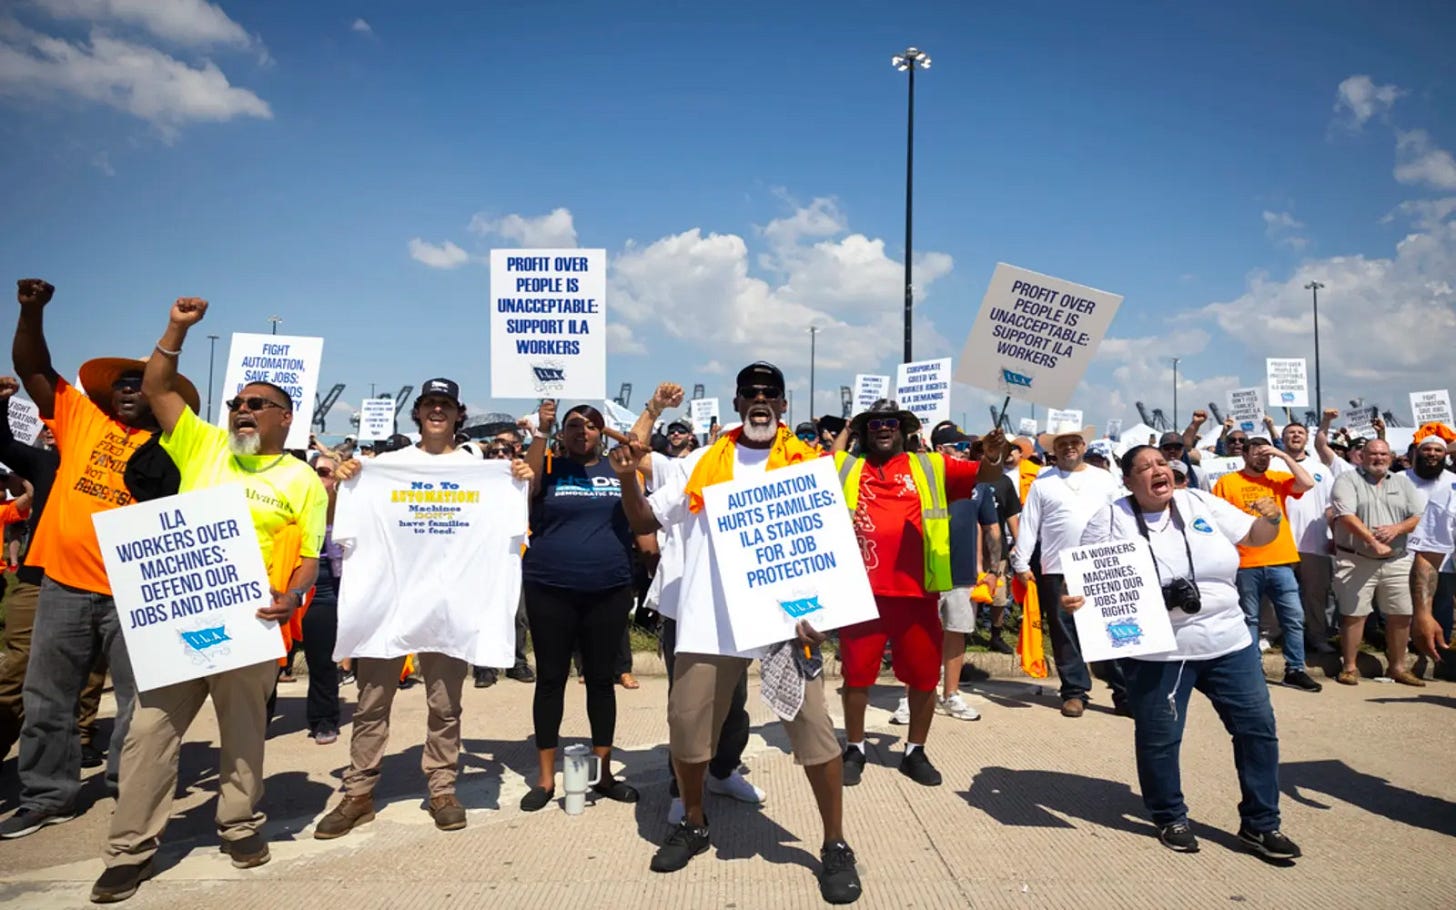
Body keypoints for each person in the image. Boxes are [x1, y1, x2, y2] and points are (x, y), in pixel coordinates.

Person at [91, 297, 326, 903]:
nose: (241, 411)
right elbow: (158, 385)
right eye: (236, 404)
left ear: (284, 417)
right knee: (149, 732)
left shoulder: (302, 480)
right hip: (179, 621)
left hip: (249, 625)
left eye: (255, 405)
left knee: (243, 732)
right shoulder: (200, 445)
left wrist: (292, 597)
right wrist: (177, 328)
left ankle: (240, 825)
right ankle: (129, 850)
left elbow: (308, 558)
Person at [611, 362, 862, 904]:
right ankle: (695, 822)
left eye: (770, 393)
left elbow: (830, 549)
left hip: (785, 624)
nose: (760, 400)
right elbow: (642, 523)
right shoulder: (700, 463)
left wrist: (827, 609)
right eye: (751, 392)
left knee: (816, 732)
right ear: (737, 403)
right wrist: (629, 475)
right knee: (686, 726)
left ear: (784, 405)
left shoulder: (809, 466)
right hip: (709, 623)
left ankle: (835, 843)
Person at [2, 279, 182, 839]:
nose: (130, 390)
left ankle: (127, 783)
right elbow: (33, 367)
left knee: (137, 700)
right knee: (47, 696)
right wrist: (31, 313)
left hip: (138, 595)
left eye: (141, 384)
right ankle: (47, 793)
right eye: (123, 385)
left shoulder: (179, 445)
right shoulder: (82, 421)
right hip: (64, 586)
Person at [1068, 445, 1300, 860]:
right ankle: (1169, 814)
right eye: (1145, 468)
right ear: (1128, 481)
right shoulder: (1110, 518)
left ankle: (1261, 823)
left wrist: (1271, 517)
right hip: (1160, 651)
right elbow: (1088, 582)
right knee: (1160, 738)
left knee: (1257, 729)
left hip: (1228, 641)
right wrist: (1078, 601)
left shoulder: (1199, 501)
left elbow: (1256, 536)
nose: (1159, 471)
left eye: (1162, 463)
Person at [516, 400, 645, 811]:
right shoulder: (549, 467)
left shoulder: (619, 470)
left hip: (608, 589)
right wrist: (542, 429)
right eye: (574, 425)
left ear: (602, 433)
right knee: (550, 680)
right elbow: (528, 486)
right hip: (549, 589)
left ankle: (604, 773)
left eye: (592, 426)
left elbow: (638, 514)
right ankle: (544, 778)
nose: (582, 431)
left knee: (601, 681)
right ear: (562, 432)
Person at [0, 376, 108, 769]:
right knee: (16, 672)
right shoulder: (47, 462)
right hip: (38, 579)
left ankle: (79, 739)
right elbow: (5, 445)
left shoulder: (121, 463)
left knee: (91, 672)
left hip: (97, 581)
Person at [1013, 426, 1128, 717]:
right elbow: (1030, 524)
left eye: (1074, 442)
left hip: (1100, 564)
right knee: (1065, 633)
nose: (1068, 448)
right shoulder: (1043, 481)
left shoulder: (1105, 479)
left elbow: (1121, 519)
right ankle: (1075, 692)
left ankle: (1124, 693)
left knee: (1109, 631)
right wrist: (1022, 562)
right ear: (1054, 449)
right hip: (1056, 568)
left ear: (1083, 445)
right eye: (1062, 444)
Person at [1211, 435, 1322, 692]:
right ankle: (1252, 669)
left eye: (1267, 454)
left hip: (1280, 559)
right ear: (1245, 454)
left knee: (1293, 618)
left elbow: (1306, 483)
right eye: (1258, 453)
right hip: (1245, 561)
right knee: (1249, 619)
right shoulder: (1227, 482)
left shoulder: (1277, 479)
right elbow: (1217, 520)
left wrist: (1283, 456)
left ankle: (1295, 670)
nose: (1263, 458)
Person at [1329, 438, 1425, 686]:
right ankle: (1349, 667)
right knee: (1353, 615)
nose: (1378, 458)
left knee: (1401, 614)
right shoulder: (1347, 480)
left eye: (1383, 454)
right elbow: (1346, 516)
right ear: (1361, 456)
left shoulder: (1403, 482)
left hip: (1397, 560)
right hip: (1357, 559)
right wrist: (1373, 541)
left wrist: (1397, 529)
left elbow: (1416, 516)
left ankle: (1398, 667)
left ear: (1390, 457)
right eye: (1373, 454)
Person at [928, 423, 1001, 721]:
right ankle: (916, 695)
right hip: (927, 570)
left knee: (956, 633)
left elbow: (991, 528)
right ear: (938, 450)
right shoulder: (923, 478)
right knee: (923, 636)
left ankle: (951, 694)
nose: (964, 451)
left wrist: (994, 569)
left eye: (965, 446)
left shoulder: (980, 484)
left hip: (962, 571)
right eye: (956, 447)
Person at [302, 453, 343, 744]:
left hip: (328, 587)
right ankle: (262, 716)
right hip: (291, 581)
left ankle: (324, 719)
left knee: (322, 657)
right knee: (271, 658)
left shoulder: (347, 508)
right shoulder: (295, 501)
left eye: (326, 472)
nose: (319, 478)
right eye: (314, 472)